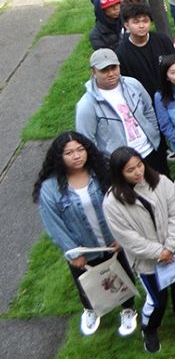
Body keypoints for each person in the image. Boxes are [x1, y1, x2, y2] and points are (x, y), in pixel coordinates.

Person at [34, 132, 138, 338]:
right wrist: (73, 253)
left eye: (80, 150)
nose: (76, 156)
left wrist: (120, 235)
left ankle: (128, 309)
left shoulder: (102, 173)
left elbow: (121, 204)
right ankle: (90, 310)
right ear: (59, 156)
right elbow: (54, 225)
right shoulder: (50, 189)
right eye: (69, 152)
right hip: (82, 249)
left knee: (121, 275)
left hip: (112, 243)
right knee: (87, 284)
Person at [103, 147, 175, 354]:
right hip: (148, 262)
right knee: (157, 299)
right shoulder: (112, 202)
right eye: (130, 170)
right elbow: (128, 238)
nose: (137, 172)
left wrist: (170, 247)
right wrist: (159, 252)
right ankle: (150, 328)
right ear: (119, 174)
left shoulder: (161, 182)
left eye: (139, 165)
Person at [76, 48, 166, 173]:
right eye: (104, 70)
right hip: (120, 165)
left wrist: (154, 134)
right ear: (93, 72)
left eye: (114, 68)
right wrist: (106, 163)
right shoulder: (86, 105)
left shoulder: (133, 84)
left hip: (150, 152)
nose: (111, 73)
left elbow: (148, 110)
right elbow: (87, 141)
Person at [115, 3, 175, 97]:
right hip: (142, 99)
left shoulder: (163, 41)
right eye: (136, 22)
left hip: (170, 94)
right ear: (127, 25)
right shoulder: (121, 53)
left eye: (145, 21)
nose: (141, 25)